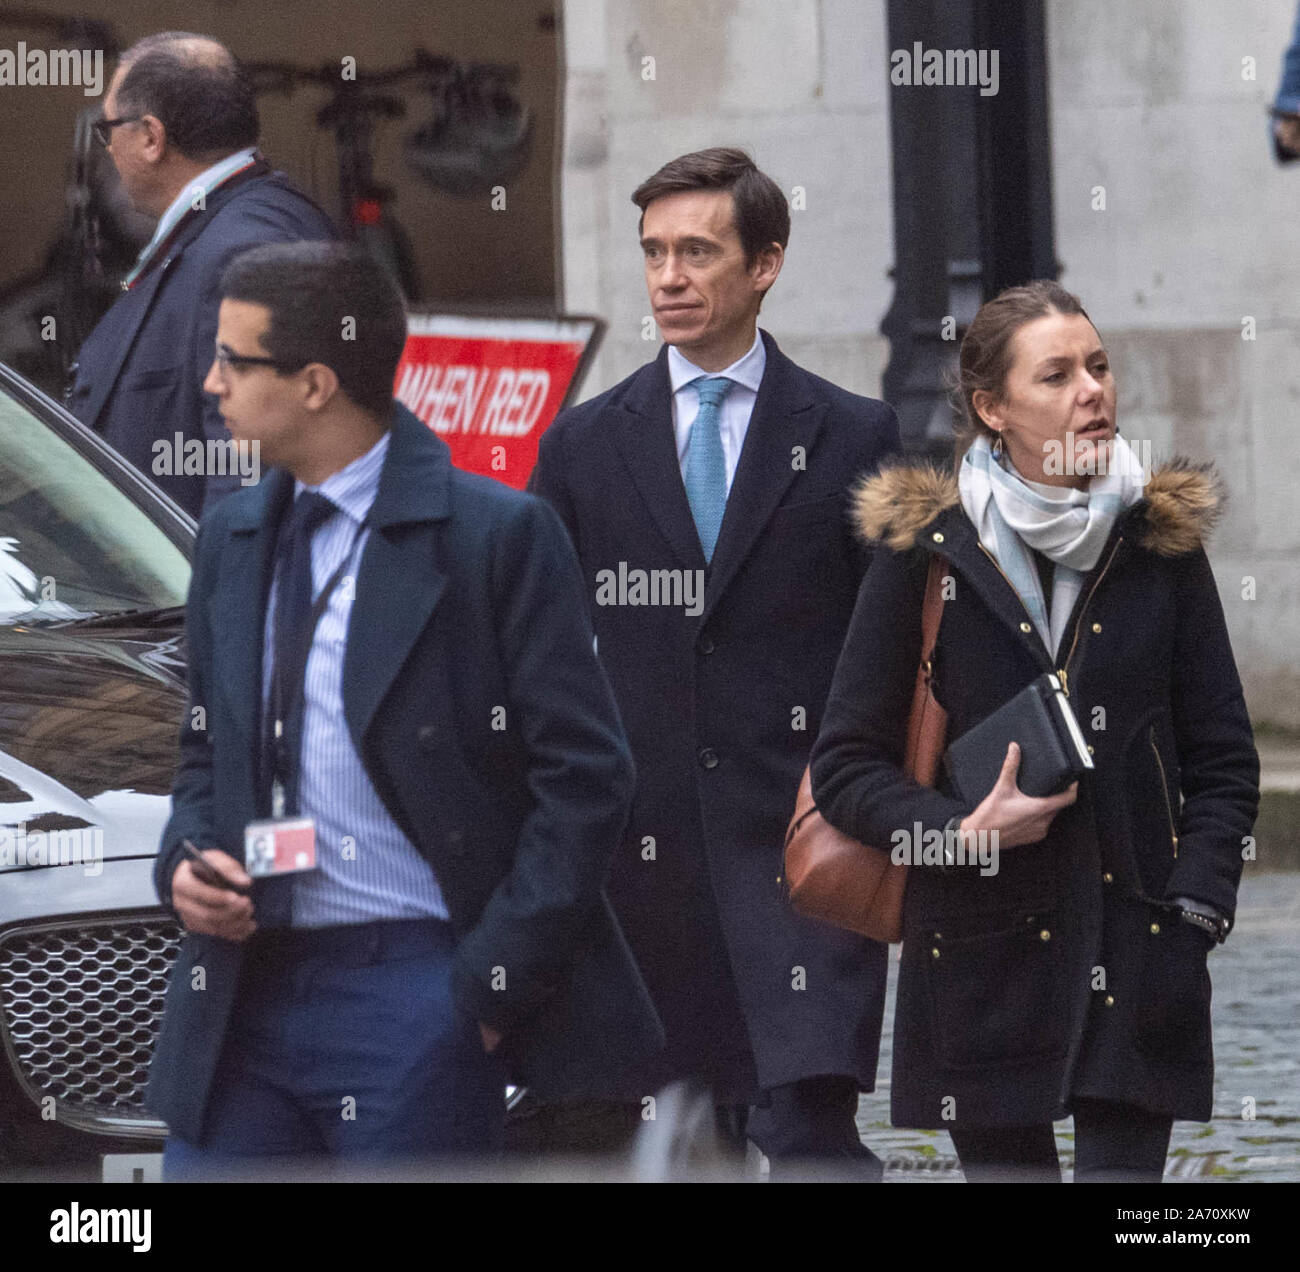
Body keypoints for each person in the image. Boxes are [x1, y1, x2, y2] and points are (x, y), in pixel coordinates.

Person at [146, 241, 661, 1177]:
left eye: (233, 359)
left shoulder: (495, 535)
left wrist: (485, 988)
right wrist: (184, 861)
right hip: (242, 990)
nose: (210, 383)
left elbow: (586, 780)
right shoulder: (231, 532)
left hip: (416, 986)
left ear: (314, 382)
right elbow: (201, 751)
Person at [810, 280, 1260, 1182]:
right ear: (992, 408)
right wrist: (958, 833)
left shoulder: (1159, 545)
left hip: (1140, 952)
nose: (1092, 390)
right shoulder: (926, 554)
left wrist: (1196, 911)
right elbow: (846, 769)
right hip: (980, 961)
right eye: (1056, 375)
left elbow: (1224, 761)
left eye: (1098, 367)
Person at [528, 147, 900, 1178]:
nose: (669, 278)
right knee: (676, 1144)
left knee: (814, 1135)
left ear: (765, 263)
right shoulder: (582, 446)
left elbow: (894, 649)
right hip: (640, 871)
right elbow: (542, 654)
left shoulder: (853, 434)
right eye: (653, 253)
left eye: (697, 251)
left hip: (802, 850)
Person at [67, 32, 336, 517]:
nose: (107, 151)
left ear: (151, 138)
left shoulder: (244, 247)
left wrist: (225, 588)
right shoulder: (228, 224)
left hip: (195, 585)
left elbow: (250, 475)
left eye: (109, 132)